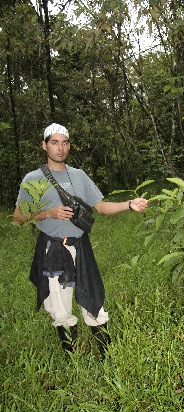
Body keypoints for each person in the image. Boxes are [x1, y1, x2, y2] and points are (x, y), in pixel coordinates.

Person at [13, 123, 148, 356]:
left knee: (93, 297)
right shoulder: (32, 179)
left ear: (69, 146)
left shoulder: (78, 176)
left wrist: (128, 204)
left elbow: (102, 207)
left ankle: (107, 356)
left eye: (64, 143)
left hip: (81, 248)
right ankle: (72, 357)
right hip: (53, 250)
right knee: (59, 306)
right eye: (54, 142)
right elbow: (18, 218)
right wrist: (47, 213)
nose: (60, 148)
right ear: (44, 145)